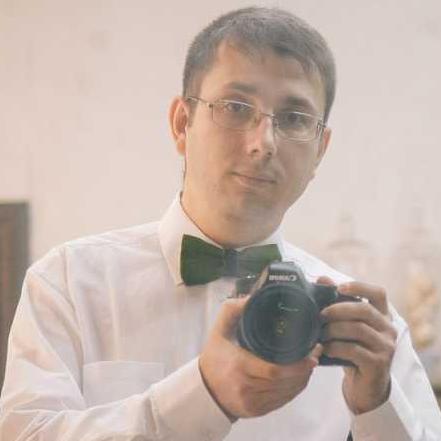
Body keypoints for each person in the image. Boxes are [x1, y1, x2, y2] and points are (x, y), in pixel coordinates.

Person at [1, 6, 440, 441]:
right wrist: (203, 396)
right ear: (181, 124)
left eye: (294, 119)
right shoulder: (69, 283)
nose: (263, 143)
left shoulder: (361, 329)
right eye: (235, 107)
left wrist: (377, 405)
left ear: (320, 151)